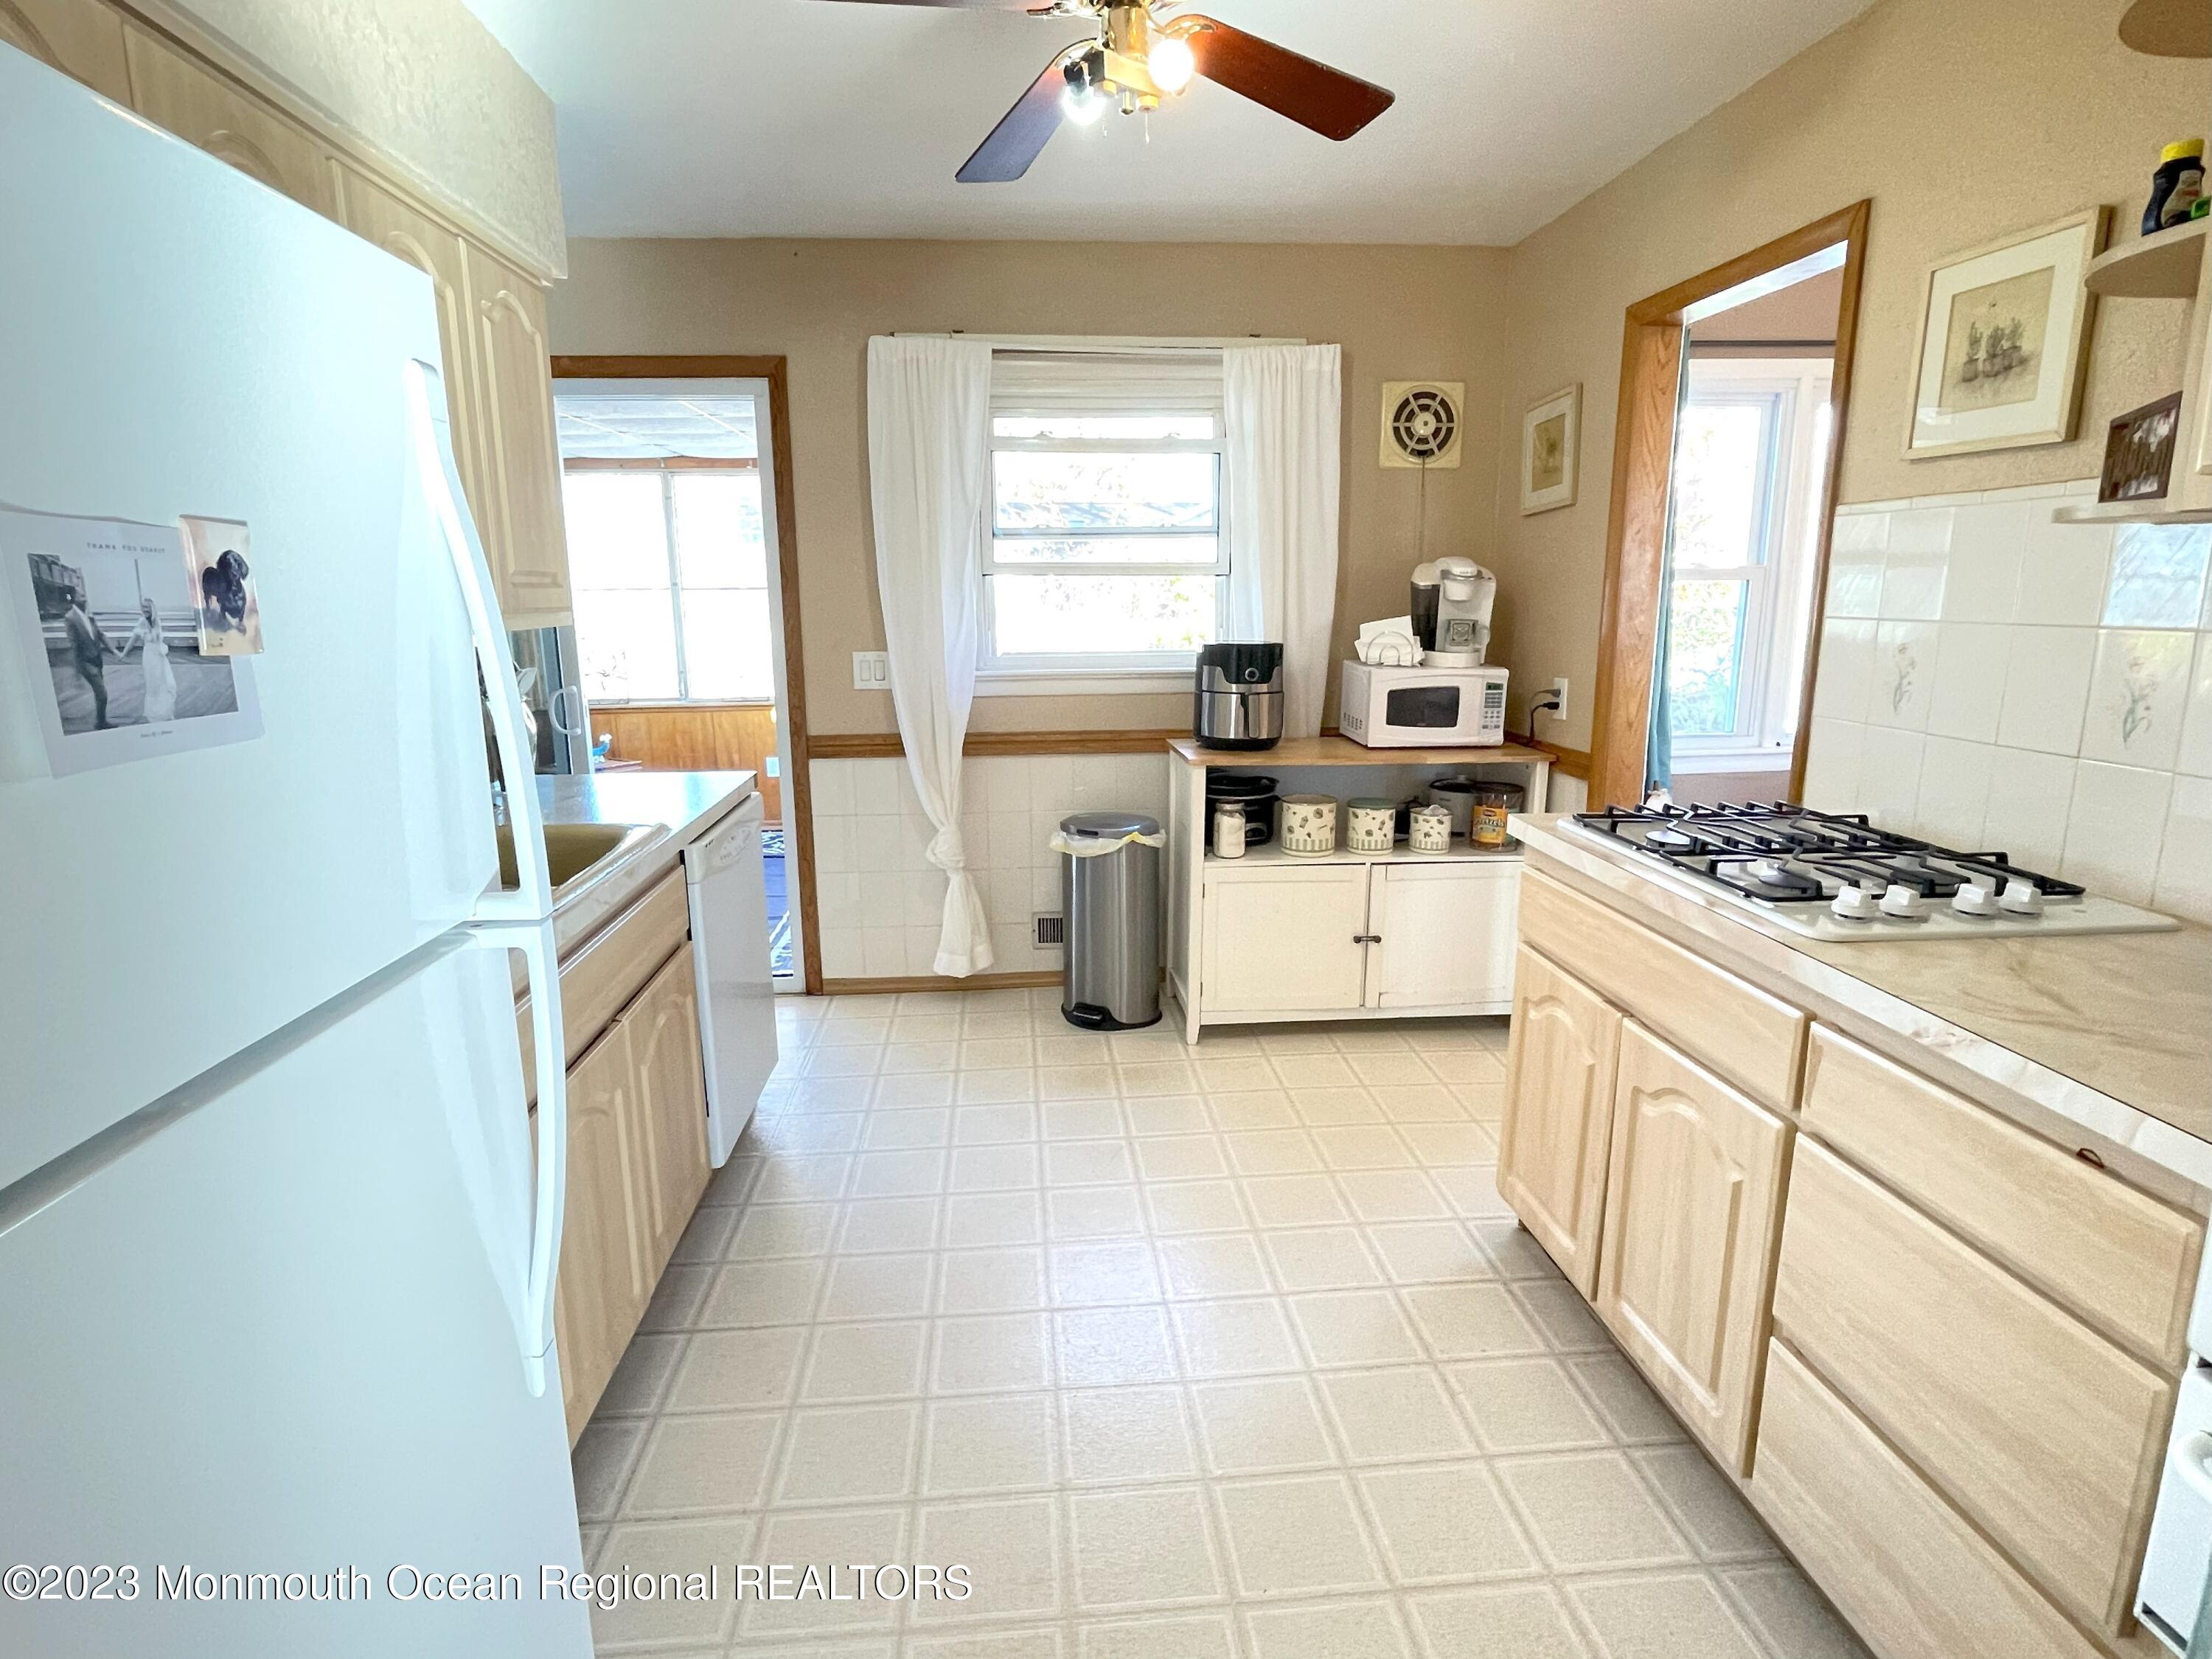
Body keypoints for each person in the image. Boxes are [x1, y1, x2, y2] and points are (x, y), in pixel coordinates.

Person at [119, 597, 176, 723]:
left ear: (152, 608)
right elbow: (132, 640)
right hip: (150, 658)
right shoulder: (142, 622)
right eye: (143, 607)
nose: (145, 610)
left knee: (167, 683)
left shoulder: (157, 621)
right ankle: (155, 715)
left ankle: (166, 712)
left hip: (160, 657)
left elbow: (160, 640)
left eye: (147, 607)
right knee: (154, 686)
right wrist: (123, 654)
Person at [60, 594, 113, 730]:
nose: (85, 599)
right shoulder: (70, 618)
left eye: (85, 597)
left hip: (97, 660)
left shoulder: (89, 616)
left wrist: (115, 651)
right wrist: (77, 671)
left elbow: (100, 635)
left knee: (99, 693)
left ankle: (101, 722)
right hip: (86, 663)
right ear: (74, 599)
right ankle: (100, 723)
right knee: (102, 694)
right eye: (81, 597)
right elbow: (74, 645)